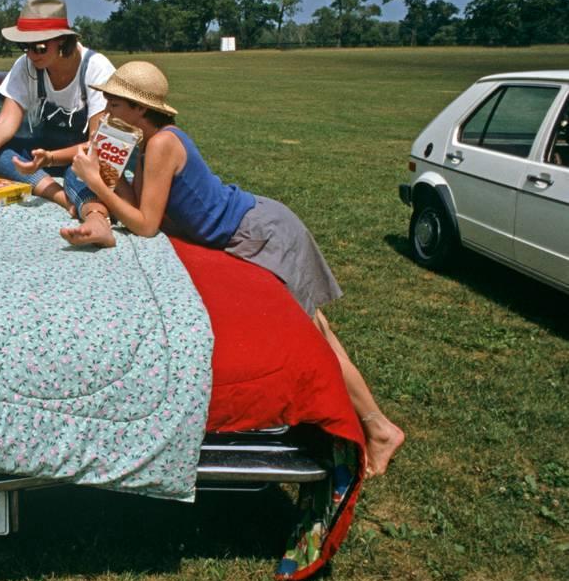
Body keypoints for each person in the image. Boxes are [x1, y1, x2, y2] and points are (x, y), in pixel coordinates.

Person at [64, 61, 406, 478]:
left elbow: (146, 225)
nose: (107, 108)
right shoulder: (142, 141)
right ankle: (370, 423)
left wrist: (95, 185)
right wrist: (108, 170)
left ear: (139, 108)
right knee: (314, 328)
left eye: (114, 101)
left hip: (262, 232)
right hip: (245, 230)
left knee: (312, 331)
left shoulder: (163, 145)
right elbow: (137, 206)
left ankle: (376, 427)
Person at [0, 0, 115, 214]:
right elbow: (4, 126)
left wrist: (51, 158)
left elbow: (98, 144)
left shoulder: (96, 68)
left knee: (82, 169)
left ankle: (91, 212)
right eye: (24, 46)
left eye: (39, 47)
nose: (30, 54)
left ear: (63, 41)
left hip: (81, 158)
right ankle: (59, 195)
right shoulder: (26, 66)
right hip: (41, 157)